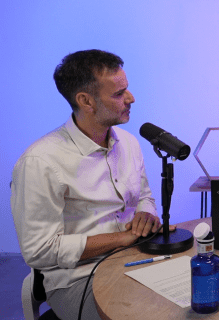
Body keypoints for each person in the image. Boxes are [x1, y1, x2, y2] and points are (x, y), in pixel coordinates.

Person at [11, 49, 173, 320]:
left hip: (138, 260)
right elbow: (39, 250)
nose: (131, 99)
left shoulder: (129, 143)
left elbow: (144, 195)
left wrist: (146, 212)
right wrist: (120, 238)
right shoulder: (40, 161)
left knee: (203, 295)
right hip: (80, 278)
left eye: (127, 89)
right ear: (86, 101)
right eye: (119, 94)